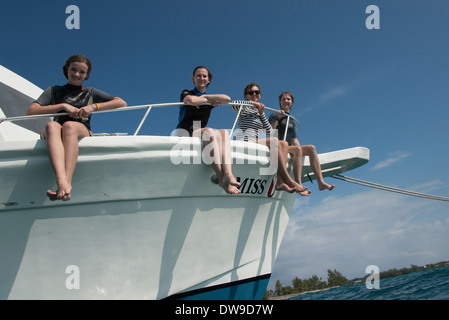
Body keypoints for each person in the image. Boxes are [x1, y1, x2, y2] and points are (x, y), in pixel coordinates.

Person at [26, 54, 127, 201]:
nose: (77, 74)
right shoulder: (53, 90)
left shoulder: (90, 92)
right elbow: (31, 111)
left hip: (80, 128)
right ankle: (62, 182)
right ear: (67, 70)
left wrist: (93, 107)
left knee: (69, 126)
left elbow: (121, 102)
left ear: (86, 76)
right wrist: (62, 106)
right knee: (52, 125)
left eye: (82, 72)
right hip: (56, 130)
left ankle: (67, 183)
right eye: (73, 70)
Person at [231, 83, 308, 194]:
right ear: (246, 95)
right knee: (274, 141)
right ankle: (288, 179)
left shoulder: (260, 112)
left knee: (284, 144)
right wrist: (253, 104)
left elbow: (270, 132)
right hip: (246, 140)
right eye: (251, 92)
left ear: (260, 95)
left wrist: (261, 113)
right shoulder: (244, 107)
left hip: (256, 141)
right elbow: (233, 105)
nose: (254, 94)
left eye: (256, 92)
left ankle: (280, 181)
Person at [176, 66, 240, 194]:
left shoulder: (208, 97)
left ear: (208, 80)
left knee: (223, 132)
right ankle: (221, 178)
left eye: (204, 76)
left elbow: (227, 99)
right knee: (209, 131)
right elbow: (191, 100)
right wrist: (206, 100)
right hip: (185, 132)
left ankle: (228, 173)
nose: (201, 78)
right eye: (198, 75)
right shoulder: (186, 92)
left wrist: (206, 97)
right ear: (193, 79)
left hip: (199, 131)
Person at [269, 91, 335, 192]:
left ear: (292, 103)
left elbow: (294, 139)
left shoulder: (291, 120)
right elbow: (271, 133)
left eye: (288, 99)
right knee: (297, 150)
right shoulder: (274, 114)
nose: (286, 101)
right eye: (283, 99)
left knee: (311, 148)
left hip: (290, 146)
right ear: (280, 102)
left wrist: (300, 149)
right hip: (280, 146)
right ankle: (298, 183)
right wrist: (277, 118)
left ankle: (321, 182)